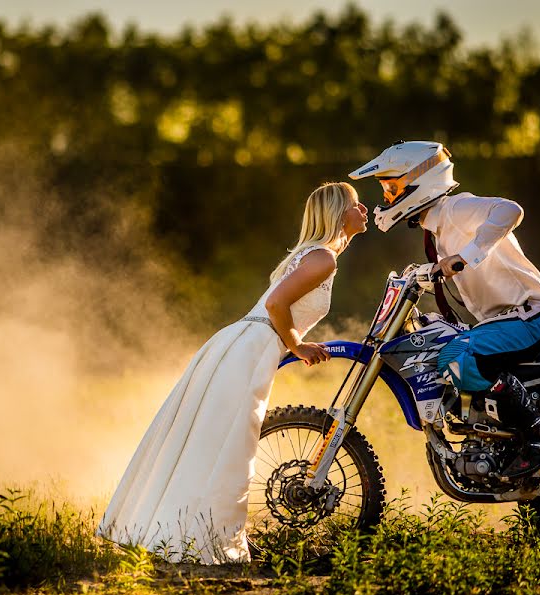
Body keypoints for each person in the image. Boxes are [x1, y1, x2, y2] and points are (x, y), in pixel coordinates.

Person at [96, 182, 368, 563]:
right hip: (251, 349)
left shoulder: (314, 255)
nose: (365, 209)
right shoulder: (323, 258)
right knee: (229, 446)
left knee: (213, 441)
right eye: (357, 205)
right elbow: (276, 303)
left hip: (244, 344)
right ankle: (198, 543)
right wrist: (297, 346)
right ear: (340, 214)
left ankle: (171, 534)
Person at [348, 141, 540, 478]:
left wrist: (465, 256)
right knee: (479, 395)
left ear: (419, 181)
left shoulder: (455, 209)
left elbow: (510, 210)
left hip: (534, 315)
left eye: (392, 188)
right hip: (510, 322)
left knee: (456, 357)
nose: (388, 198)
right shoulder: (435, 232)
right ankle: (526, 479)